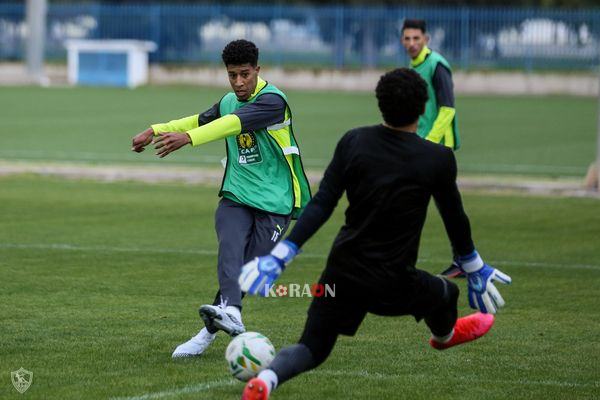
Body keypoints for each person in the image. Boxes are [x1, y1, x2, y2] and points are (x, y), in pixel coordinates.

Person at [237, 68, 511, 399]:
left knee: (312, 347)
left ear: (379, 104)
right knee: (446, 294)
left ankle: (266, 381)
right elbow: (455, 217)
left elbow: (322, 203)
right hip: (393, 281)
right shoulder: (437, 158)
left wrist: (280, 255)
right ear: (424, 108)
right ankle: (444, 336)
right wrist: (474, 266)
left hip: (342, 274)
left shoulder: (354, 141)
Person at [130, 39, 311, 358]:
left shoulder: (273, 101)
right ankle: (231, 316)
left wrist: (188, 140)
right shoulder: (229, 100)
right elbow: (202, 119)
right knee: (229, 249)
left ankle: (208, 331)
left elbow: (232, 124)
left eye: (245, 74)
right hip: (237, 194)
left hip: (276, 200)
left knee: (250, 268)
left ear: (258, 70)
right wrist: (155, 129)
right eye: (232, 75)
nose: (239, 82)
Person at [402, 19, 459, 150]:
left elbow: (448, 110)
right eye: (407, 39)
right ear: (402, 41)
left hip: (438, 144)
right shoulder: (413, 66)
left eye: (416, 38)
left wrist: (430, 141)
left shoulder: (437, 65)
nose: (411, 43)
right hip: (420, 140)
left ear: (426, 39)